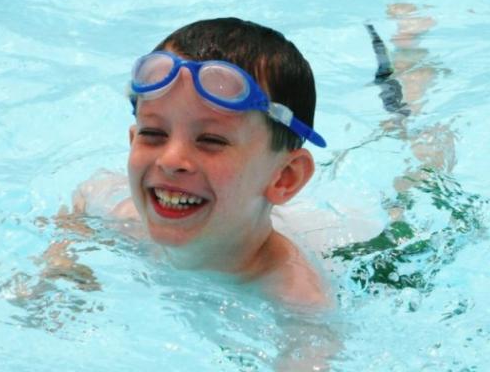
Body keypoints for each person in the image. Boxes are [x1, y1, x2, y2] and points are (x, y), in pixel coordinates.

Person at [59, 17, 330, 308]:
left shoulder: (297, 301)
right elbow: (83, 202)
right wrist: (62, 265)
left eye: (211, 140)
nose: (171, 160)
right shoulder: (123, 216)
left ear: (284, 178)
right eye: (153, 134)